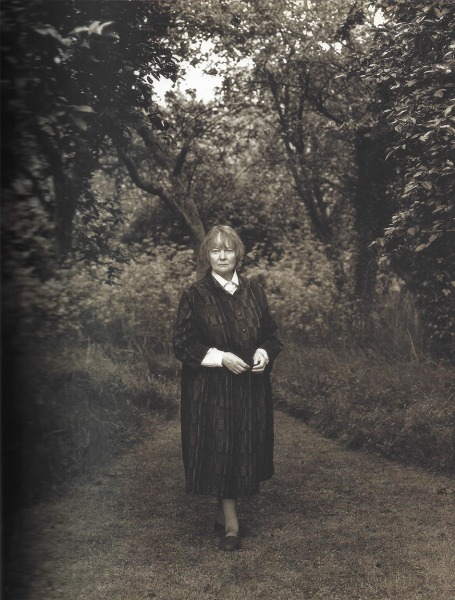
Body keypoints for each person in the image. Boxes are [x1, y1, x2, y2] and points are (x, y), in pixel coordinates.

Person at [172, 225, 283, 551]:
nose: (222, 256)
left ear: (238, 253)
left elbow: (271, 335)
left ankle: (224, 513)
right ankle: (232, 524)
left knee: (243, 447)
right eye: (216, 250)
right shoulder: (195, 295)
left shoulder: (254, 291)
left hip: (249, 387)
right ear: (208, 255)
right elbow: (182, 344)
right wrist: (220, 358)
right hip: (211, 390)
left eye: (228, 249)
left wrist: (264, 352)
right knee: (221, 447)